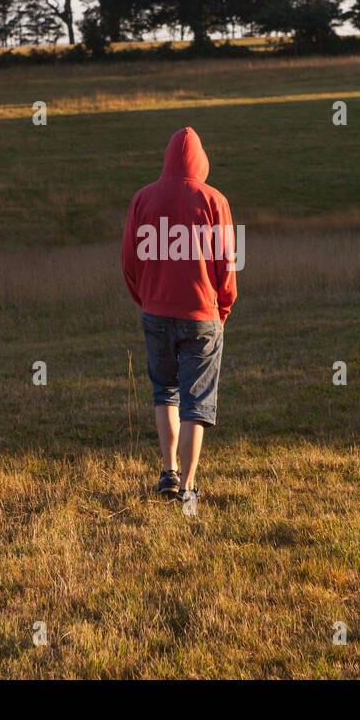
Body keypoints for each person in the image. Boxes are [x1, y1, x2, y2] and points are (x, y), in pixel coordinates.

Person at [121, 126, 237, 505]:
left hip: (155, 312)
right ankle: (188, 488)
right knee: (196, 403)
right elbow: (227, 265)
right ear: (200, 160)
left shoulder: (142, 199)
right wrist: (222, 308)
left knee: (164, 393)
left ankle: (167, 472)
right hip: (203, 315)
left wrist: (147, 299)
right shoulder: (214, 200)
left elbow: (129, 262)